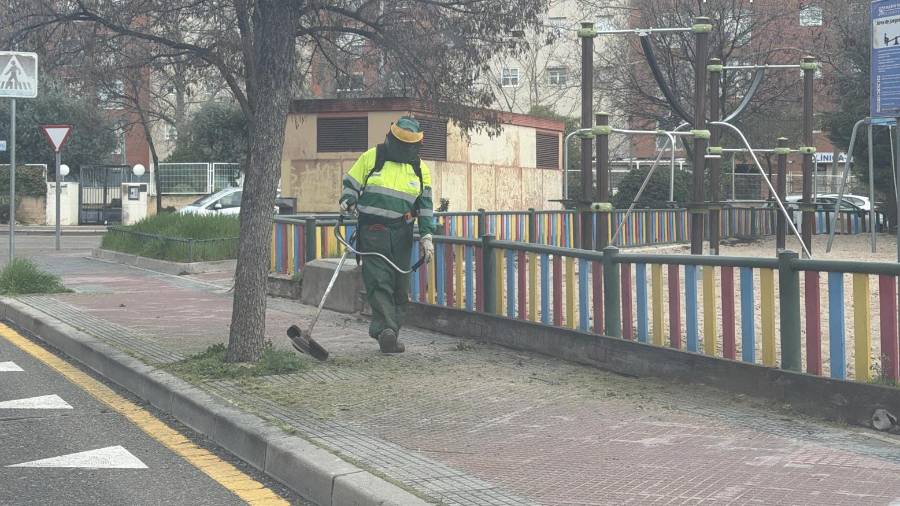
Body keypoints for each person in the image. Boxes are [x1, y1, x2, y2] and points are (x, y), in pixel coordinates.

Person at [339, 116, 434, 354]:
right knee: (379, 282)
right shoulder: (372, 157)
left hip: (402, 233)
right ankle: (386, 332)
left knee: (400, 286)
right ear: (393, 138)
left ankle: (390, 332)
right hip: (373, 231)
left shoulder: (420, 170)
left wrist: (427, 237)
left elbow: (425, 206)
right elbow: (351, 183)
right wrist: (348, 200)